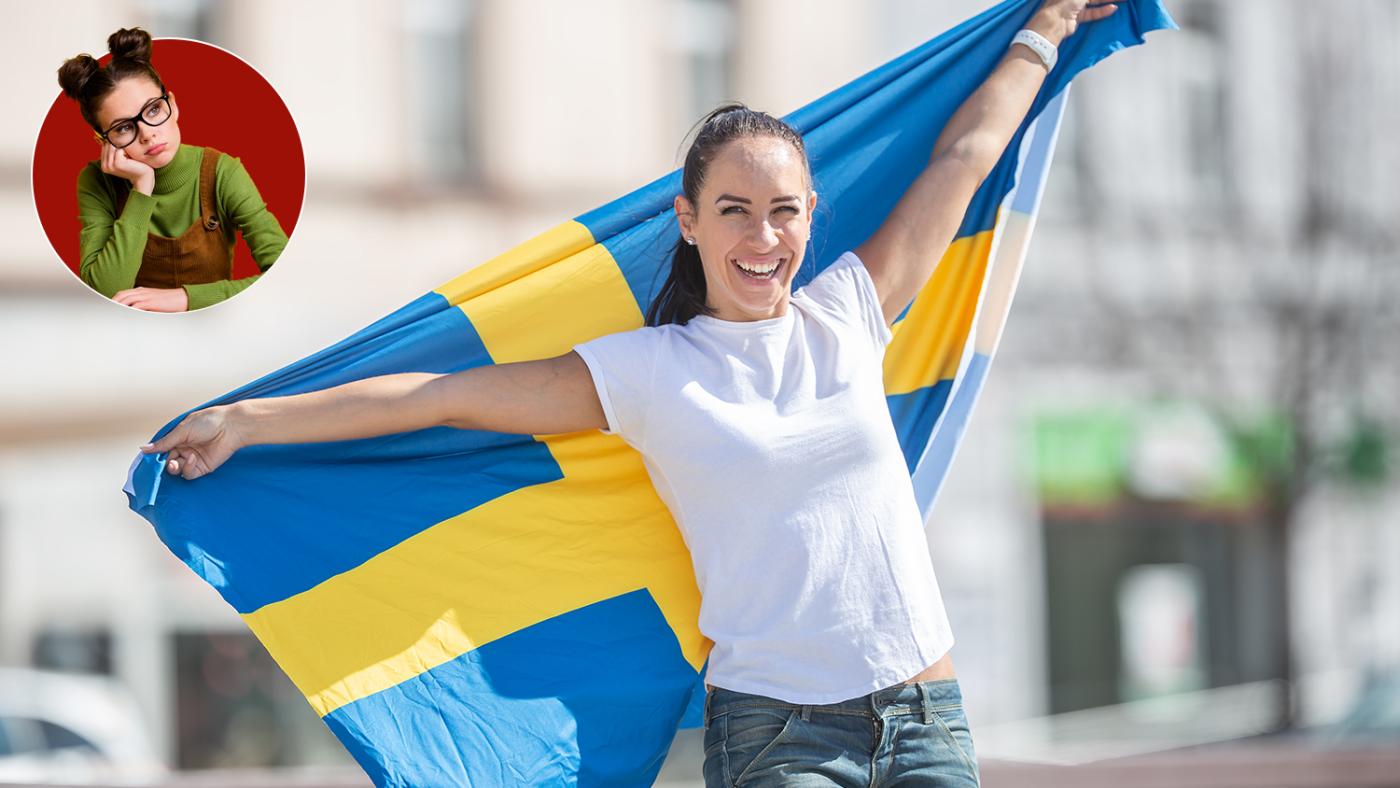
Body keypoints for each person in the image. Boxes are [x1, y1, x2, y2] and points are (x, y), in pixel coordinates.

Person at [141, 0, 1116, 783]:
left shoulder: (850, 314)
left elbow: (964, 156)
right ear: (688, 220)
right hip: (780, 738)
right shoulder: (651, 371)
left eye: (782, 212)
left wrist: (1044, 26)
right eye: (733, 211)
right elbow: (435, 398)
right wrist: (247, 420)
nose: (761, 237)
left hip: (925, 719)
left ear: (810, 218)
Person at [57, 27, 287, 312]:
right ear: (103, 141)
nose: (148, 135)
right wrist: (142, 187)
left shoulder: (222, 171)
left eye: (153, 110)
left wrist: (185, 298)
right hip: (133, 337)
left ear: (173, 105)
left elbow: (282, 276)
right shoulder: (96, 182)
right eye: (124, 128)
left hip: (218, 330)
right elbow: (106, 292)